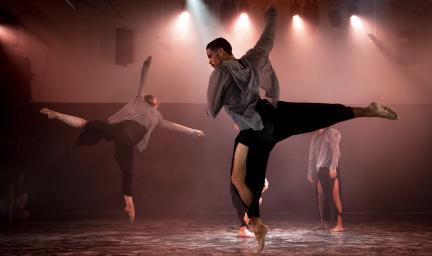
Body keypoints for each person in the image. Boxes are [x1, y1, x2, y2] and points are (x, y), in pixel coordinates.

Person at [205, 3, 398, 251]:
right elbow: (268, 40)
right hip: (271, 114)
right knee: (315, 114)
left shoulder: (219, 73)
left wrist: (225, 102)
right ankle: (365, 110)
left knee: (239, 179)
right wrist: (272, 15)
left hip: (254, 131)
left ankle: (257, 221)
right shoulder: (251, 60)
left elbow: (211, 111)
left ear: (221, 51)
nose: (210, 62)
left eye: (210, 56)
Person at [40, 56, 205, 222]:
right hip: (126, 134)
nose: (157, 99)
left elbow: (172, 126)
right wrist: (145, 69)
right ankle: (129, 202)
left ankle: (129, 203)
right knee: (125, 169)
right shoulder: (141, 102)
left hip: (121, 134)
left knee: (90, 127)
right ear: (151, 101)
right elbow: (142, 84)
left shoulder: (158, 117)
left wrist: (191, 131)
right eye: (155, 97)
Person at [307, 127, 343, 232]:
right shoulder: (315, 137)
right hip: (320, 170)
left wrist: (333, 167)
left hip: (331, 168)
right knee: (321, 196)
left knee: (335, 195)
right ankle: (323, 223)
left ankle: (340, 224)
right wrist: (310, 172)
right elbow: (312, 156)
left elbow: (335, 151)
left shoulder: (331, 132)